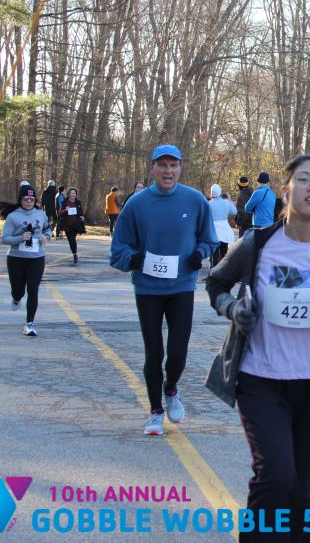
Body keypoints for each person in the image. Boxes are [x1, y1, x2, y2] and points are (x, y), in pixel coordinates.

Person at [204, 154, 310, 543]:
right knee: (275, 477)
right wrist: (234, 310)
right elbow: (215, 283)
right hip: (260, 379)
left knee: (302, 488)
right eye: (304, 179)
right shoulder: (258, 243)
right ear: (286, 192)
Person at [109, 144, 218, 436]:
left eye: (173, 165)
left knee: (178, 353)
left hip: (181, 286)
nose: (168, 171)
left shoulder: (195, 200)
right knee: (153, 352)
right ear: (153, 168)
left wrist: (199, 254)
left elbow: (209, 239)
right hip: (148, 288)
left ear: (180, 168)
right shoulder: (136, 204)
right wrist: (132, 259)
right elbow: (118, 248)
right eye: (162, 165)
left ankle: (171, 388)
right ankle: (155, 411)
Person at [0, 184, 52, 337]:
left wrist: (46, 237)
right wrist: (20, 238)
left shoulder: (41, 214)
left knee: (33, 289)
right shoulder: (13, 216)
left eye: (32, 199)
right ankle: (16, 298)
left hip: (36, 258)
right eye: (26, 198)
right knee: (18, 290)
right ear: (20, 200)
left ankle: (29, 324)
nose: (29, 201)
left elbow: (48, 228)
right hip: (16, 259)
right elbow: (4, 239)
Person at [209, 183, 238, 268]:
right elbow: (234, 212)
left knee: (214, 255)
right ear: (220, 192)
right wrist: (229, 200)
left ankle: (213, 271)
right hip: (224, 231)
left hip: (214, 231)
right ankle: (222, 271)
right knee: (224, 254)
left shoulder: (209, 204)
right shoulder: (226, 203)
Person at [59, 188, 85, 264]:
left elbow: (81, 212)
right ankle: (74, 253)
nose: (73, 194)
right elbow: (60, 213)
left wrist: (82, 216)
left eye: (74, 193)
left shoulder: (78, 202)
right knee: (71, 240)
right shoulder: (64, 202)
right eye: (72, 193)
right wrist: (65, 210)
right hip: (67, 225)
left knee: (72, 239)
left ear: (76, 194)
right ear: (69, 194)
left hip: (76, 224)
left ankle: (75, 254)